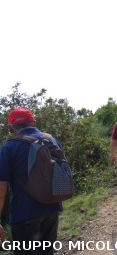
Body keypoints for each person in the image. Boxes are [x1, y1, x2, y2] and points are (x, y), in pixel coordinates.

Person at [0, 108, 64, 254]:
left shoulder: (8, 148)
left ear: (10, 129)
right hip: (52, 208)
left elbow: (1, 188)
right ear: (34, 123)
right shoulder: (51, 140)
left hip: (24, 213)